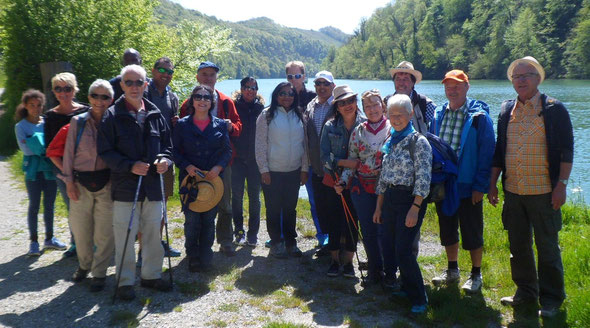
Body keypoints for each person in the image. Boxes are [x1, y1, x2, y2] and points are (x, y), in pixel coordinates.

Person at [489, 56, 573, 318]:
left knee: (547, 247)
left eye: (527, 75)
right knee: (518, 247)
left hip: (544, 193)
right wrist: (492, 183)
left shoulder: (554, 109)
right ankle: (525, 293)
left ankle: (551, 299)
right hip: (513, 193)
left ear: (538, 79)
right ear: (512, 82)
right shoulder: (505, 111)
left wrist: (561, 185)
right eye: (517, 76)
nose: (521, 80)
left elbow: (567, 151)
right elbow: (499, 153)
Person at [98, 64, 173, 300]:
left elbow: (168, 146)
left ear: (145, 85)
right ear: (121, 85)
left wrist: (165, 160)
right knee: (126, 236)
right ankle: (125, 281)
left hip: (152, 187)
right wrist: (129, 166)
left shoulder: (155, 114)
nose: (133, 87)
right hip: (125, 188)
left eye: (138, 82)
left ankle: (151, 276)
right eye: (128, 82)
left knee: (152, 234)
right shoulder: (111, 115)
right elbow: (105, 152)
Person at [429, 70, 495, 293]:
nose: (452, 90)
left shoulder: (479, 118)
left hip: (468, 185)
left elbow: (487, 153)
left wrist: (480, 185)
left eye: (457, 85)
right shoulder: (438, 114)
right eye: (448, 86)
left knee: (472, 230)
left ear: (467, 87)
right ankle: (452, 270)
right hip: (444, 184)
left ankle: (476, 274)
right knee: (447, 228)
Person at [373, 94, 431, 314]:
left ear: (409, 115)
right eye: (392, 115)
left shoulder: (419, 142)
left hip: (410, 200)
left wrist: (415, 208)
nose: (396, 119)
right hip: (390, 200)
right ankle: (406, 288)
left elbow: (424, 178)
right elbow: (383, 177)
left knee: (404, 250)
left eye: (400, 115)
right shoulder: (391, 139)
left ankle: (420, 298)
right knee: (392, 247)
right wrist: (379, 207)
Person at [180, 61, 242, 257]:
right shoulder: (187, 104)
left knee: (224, 203)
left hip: (222, 164)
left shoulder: (225, 101)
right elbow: (180, 130)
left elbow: (239, 127)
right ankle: (196, 246)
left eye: (212, 75)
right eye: (204, 74)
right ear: (197, 77)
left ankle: (225, 240)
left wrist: (232, 126)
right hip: (194, 164)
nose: (208, 78)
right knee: (195, 203)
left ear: (216, 78)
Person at [61, 80, 115, 292]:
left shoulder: (115, 122)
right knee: (81, 232)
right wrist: (69, 182)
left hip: (108, 183)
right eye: (95, 95)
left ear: (111, 100)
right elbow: (68, 153)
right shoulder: (78, 122)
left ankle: (99, 273)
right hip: (80, 183)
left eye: (105, 97)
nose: (100, 101)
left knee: (104, 233)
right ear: (89, 97)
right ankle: (84, 265)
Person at [173, 85, 231, 272]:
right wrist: (186, 166)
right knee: (192, 220)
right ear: (192, 101)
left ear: (211, 102)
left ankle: (206, 253)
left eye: (206, 97)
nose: (202, 100)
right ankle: (192, 254)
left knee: (208, 220)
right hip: (189, 180)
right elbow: (174, 152)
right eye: (198, 96)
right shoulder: (182, 125)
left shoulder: (221, 124)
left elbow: (227, 151)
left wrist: (218, 167)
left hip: (213, 181)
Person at [339, 89, 391, 285]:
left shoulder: (393, 128)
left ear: (383, 106)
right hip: (362, 188)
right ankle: (374, 271)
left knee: (386, 231)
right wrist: (344, 181)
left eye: (375, 104)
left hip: (386, 190)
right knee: (368, 232)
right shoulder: (358, 131)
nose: (372, 109)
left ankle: (389, 270)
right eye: (367, 106)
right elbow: (352, 159)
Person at [255, 82, 308, 258]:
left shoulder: (300, 114)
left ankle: (291, 243)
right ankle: (276, 242)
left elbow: (305, 145)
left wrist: (304, 168)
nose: (287, 97)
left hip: (293, 170)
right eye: (283, 93)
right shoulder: (267, 115)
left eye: (290, 94)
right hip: (273, 171)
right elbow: (260, 145)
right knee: (273, 208)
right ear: (276, 95)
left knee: (290, 208)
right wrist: (264, 170)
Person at [139, 56, 181, 260]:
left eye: (170, 72)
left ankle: (156, 244)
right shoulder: (143, 92)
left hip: (166, 157)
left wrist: (176, 122)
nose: (166, 75)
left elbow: (172, 126)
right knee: (144, 205)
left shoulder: (172, 97)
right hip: (145, 156)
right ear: (153, 71)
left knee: (162, 204)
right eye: (162, 70)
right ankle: (142, 251)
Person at [320, 85, 363, 278]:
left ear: (356, 102)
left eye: (351, 100)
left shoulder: (365, 124)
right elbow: (324, 156)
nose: (348, 105)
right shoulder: (330, 126)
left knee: (353, 222)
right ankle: (335, 261)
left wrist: (350, 164)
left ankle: (349, 263)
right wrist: (344, 165)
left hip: (358, 182)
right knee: (334, 221)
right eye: (343, 103)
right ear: (337, 107)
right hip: (333, 181)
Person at [14, 89, 63, 255]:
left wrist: (37, 144)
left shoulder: (46, 122)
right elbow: (25, 149)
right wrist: (45, 149)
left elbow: (53, 143)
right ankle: (33, 242)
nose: (35, 108)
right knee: (34, 205)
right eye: (32, 105)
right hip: (33, 171)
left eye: (39, 105)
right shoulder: (20, 126)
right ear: (25, 106)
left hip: (49, 169)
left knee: (49, 204)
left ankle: (49, 238)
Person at [45, 72, 88, 256]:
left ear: (74, 89)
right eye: (58, 89)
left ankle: (92, 242)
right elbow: (50, 149)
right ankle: (76, 243)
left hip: (86, 166)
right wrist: (67, 172)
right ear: (53, 92)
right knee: (72, 205)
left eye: (67, 88)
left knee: (89, 205)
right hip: (62, 168)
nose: (63, 93)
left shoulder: (86, 111)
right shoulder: (50, 116)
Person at [303, 71, 335, 254]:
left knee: (334, 207)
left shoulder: (339, 105)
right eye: (318, 83)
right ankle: (326, 242)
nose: (321, 87)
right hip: (315, 167)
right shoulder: (311, 106)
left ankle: (339, 245)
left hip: (334, 167)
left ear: (332, 86)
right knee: (320, 205)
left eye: (325, 83)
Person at [231, 77, 264, 246]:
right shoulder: (233, 106)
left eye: (253, 87)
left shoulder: (261, 108)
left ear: (257, 89)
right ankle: (238, 231)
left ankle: (253, 234)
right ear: (241, 89)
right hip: (236, 160)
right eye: (246, 87)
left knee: (254, 198)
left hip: (255, 161)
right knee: (236, 197)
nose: (250, 90)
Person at [387, 61, 436, 134]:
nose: (401, 83)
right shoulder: (386, 102)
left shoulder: (425, 104)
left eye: (405, 79)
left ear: (413, 82)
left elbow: (436, 131)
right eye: (398, 79)